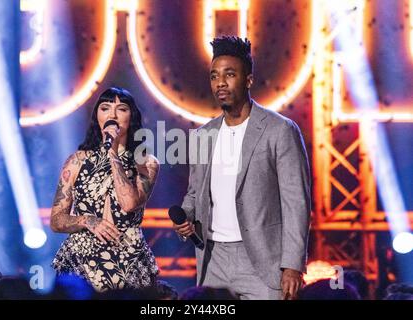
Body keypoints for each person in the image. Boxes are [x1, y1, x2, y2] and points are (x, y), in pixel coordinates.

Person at [173, 36, 311, 300]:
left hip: (262, 260)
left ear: (248, 80)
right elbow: (194, 193)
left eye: (229, 74)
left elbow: (297, 202)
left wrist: (293, 264)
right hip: (212, 259)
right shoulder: (203, 135)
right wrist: (186, 216)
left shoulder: (279, 130)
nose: (220, 83)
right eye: (214, 76)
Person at [51, 87, 159, 292]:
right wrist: (87, 220)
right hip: (81, 261)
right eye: (105, 108)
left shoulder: (146, 163)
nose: (112, 114)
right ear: (97, 116)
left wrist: (112, 152)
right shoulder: (76, 161)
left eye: (121, 109)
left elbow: (129, 204)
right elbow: (57, 220)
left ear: (131, 117)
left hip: (128, 261)